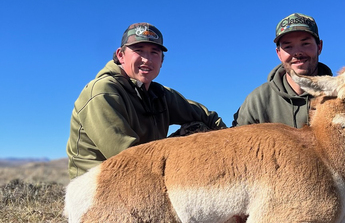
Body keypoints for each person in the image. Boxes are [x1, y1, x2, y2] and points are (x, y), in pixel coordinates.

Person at [232, 13, 345, 223]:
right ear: (278, 53)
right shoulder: (258, 99)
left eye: (305, 43)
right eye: (288, 46)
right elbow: (237, 157)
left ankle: (311, 219)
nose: (297, 52)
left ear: (319, 46)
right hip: (272, 190)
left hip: (330, 185)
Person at [67, 22, 226, 179]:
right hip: (100, 185)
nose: (147, 60)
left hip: (143, 172)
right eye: (139, 50)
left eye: (154, 52)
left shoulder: (159, 94)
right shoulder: (103, 92)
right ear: (121, 55)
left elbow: (208, 118)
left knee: (199, 128)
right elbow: (127, 159)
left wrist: (233, 147)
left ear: (161, 61)